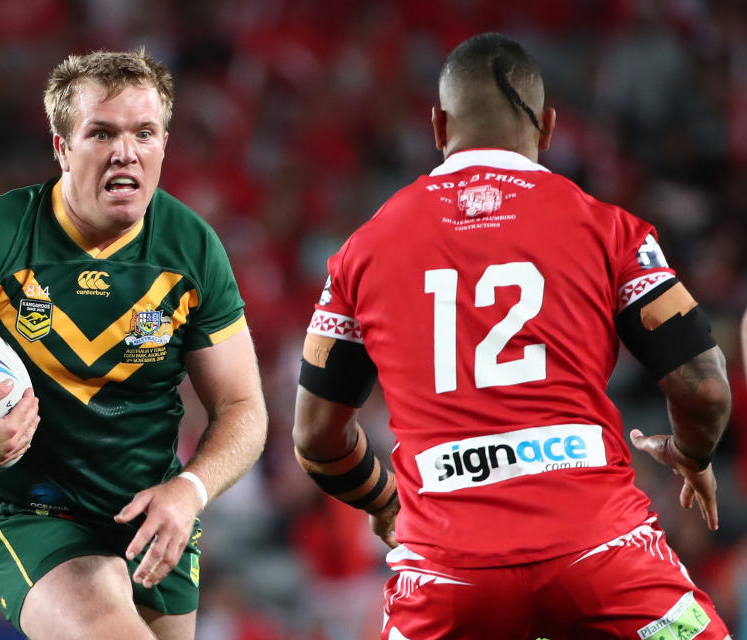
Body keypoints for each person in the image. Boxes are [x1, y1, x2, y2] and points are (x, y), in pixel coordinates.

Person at [292, 33, 732, 640]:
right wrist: (693, 452)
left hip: (444, 580)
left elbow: (316, 438)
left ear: (438, 125)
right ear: (547, 127)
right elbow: (705, 389)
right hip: (605, 560)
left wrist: (383, 500)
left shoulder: (360, 253)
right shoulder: (610, 230)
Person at [0, 49, 268, 640]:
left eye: (145, 132)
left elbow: (244, 408)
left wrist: (189, 491)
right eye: (102, 133)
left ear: (164, 144)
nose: (127, 151)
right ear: (62, 147)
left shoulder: (193, 250)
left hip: (152, 515)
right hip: (30, 515)